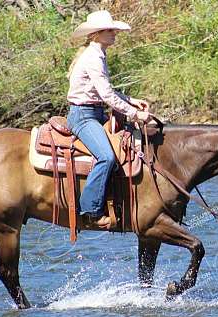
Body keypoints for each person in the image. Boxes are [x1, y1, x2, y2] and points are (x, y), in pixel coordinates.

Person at [66, 10, 152, 228]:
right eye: (110, 30)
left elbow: (106, 91)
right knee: (107, 157)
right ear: (96, 33)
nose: (114, 33)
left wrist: (132, 100)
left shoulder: (97, 53)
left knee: (129, 144)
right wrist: (135, 113)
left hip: (94, 112)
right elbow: (106, 95)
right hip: (83, 116)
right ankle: (91, 210)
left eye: (114, 29)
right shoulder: (93, 57)